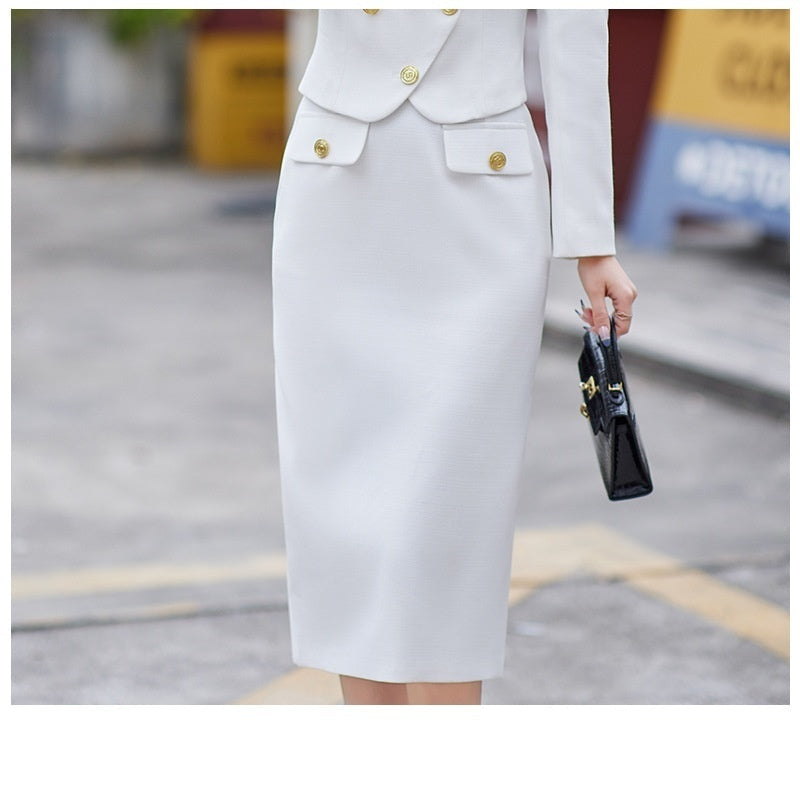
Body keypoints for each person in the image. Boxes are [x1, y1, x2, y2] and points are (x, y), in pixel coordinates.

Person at [270, 9, 637, 705]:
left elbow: (577, 48)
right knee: (347, 506)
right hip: (335, 184)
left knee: (453, 503)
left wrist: (592, 243)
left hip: (481, 203)